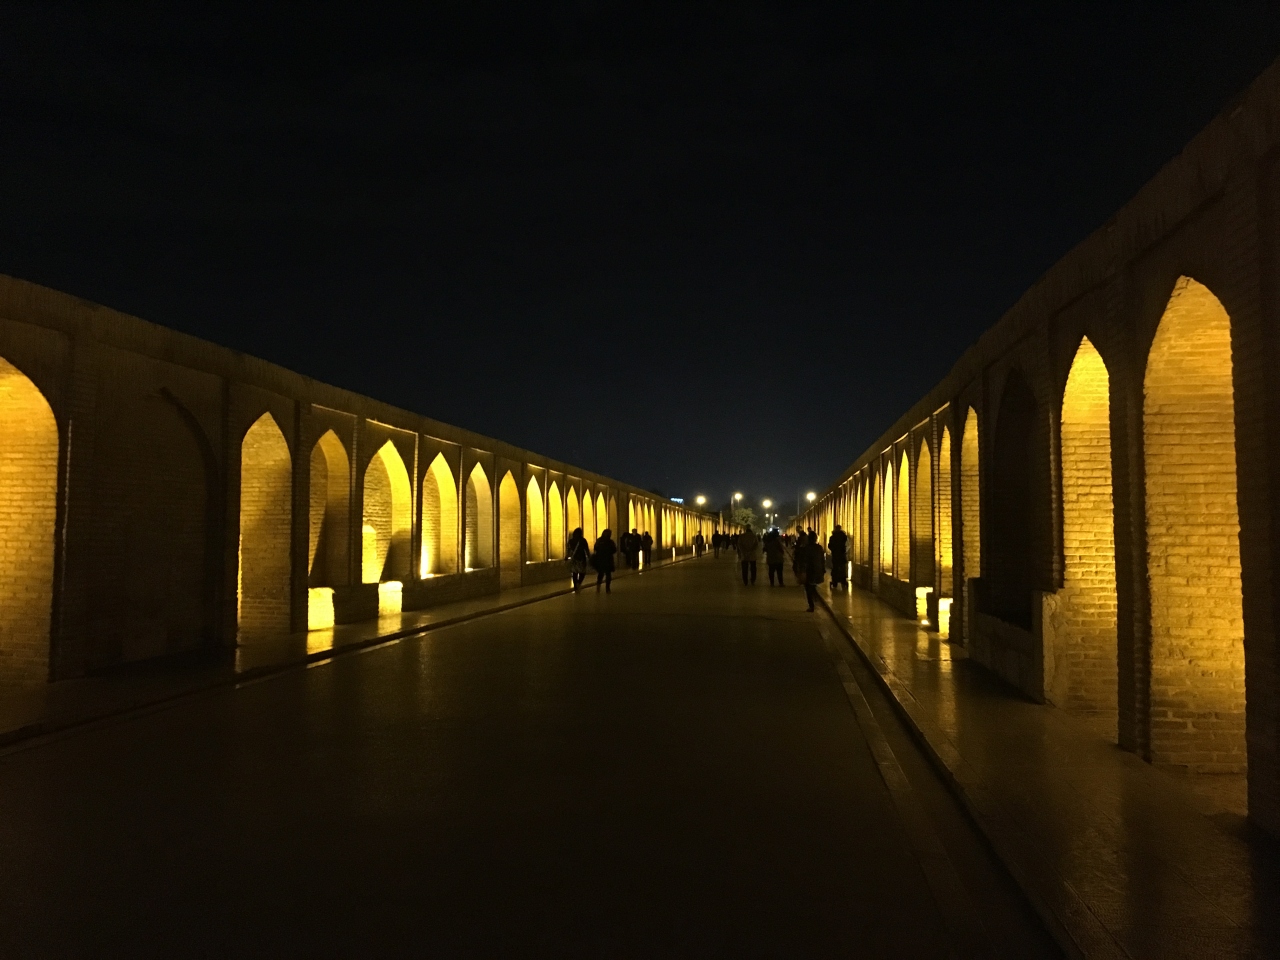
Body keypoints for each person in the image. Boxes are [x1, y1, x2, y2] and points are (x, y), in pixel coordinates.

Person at [802, 531, 826, 612]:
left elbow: (804, 560)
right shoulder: (819, 548)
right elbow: (822, 560)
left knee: (808, 588)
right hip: (818, 569)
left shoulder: (806, 548)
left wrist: (802, 570)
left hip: (810, 570)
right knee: (812, 586)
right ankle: (814, 600)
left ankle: (811, 605)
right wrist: (823, 569)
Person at [566, 527, 590, 591]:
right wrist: (589, 557)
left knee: (575, 573)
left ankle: (575, 586)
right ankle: (579, 583)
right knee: (582, 572)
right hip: (581, 558)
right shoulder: (583, 540)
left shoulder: (571, 541)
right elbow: (586, 549)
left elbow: (569, 550)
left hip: (574, 558)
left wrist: (567, 556)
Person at [827, 524, 849, 589]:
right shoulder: (844, 537)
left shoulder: (832, 537)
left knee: (835, 568)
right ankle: (843, 580)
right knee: (842, 568)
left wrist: (833, 550)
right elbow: (847, 544)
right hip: (842, 555)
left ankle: (835, 581)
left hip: (835, 555)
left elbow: (829, 546)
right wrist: (844, 551)